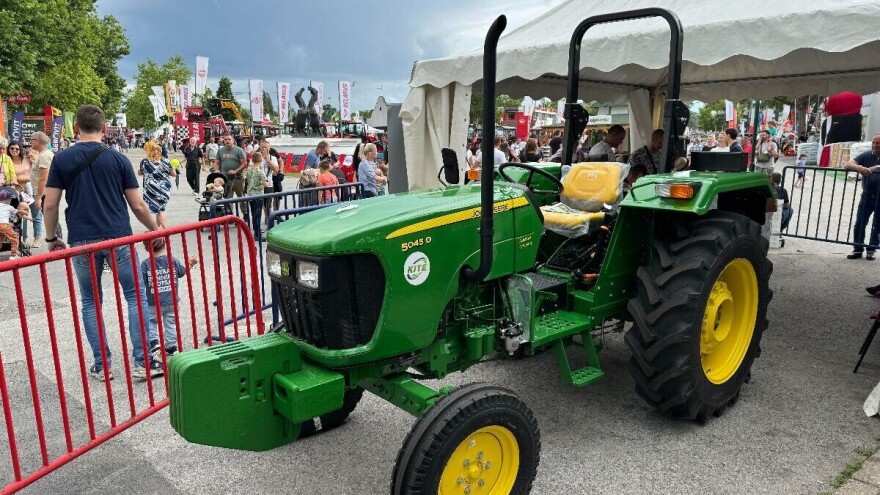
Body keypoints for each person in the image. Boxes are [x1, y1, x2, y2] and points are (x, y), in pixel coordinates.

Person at [43, 104, 162, 381]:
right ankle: (143, 362)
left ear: (76, 128)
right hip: (118, 235)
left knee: (90, 301)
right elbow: (138, 205)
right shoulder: (119, 160)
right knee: (135, 296)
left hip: (82, 239)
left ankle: (103, 365)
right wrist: (155, 229)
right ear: (105, 128)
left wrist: (51, 237)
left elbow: (50, 204)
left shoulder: (61, 159)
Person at [140, 237, 198, 362]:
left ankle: (154, 342)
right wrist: (190, 263)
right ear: (164, 245)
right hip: (172, 300)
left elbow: (142, 282)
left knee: (151, 321)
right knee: (171, 322)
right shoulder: (172, 260)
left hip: (153, 302)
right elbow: (182, 272)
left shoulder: (145, 264)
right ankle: (171, 346)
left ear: (146, 248)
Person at [844, 133, 880, 260]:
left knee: (877, 225)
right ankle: (857, 249)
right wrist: (859, 168)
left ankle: (871, 249)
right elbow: (848, 164)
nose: (875, 145)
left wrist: (874, 168)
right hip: (867, 196)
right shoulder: (867, 155)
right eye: (874, 142)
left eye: (878, 143)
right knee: (860, 222)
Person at [7, 140, 41, 246]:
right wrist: (26, 178)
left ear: (20, 149)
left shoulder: (27, 158)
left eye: (17, 148)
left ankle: (37, 239)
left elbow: (37, 170)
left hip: (32, 189)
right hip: (17, 191)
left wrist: (21, 178)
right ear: (8, 149)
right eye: (12, 148)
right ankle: (23, 239)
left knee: (36, 213)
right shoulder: (7, 160)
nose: (14, 150)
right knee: (21, 216)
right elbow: (8, 176)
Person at [139, 141, 175, 229]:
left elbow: (140, 173)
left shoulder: (145, 162)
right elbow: (173, 174)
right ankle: (157, 229)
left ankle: (165, 229)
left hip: (152, 190)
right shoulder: (165, 161)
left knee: (160, 210)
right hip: (165, 189)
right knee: (159, 208)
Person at [28, 131, 55, 246]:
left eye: (32, 139)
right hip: (45, 192)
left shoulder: (44, 156)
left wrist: (39, 197)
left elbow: (44, 178)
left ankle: (56, 243)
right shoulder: (42, 154)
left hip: (45, 193)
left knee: (49, 218)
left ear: (38, 141)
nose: (30, 142)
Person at [212, 132, 247, 202]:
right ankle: (229, 209)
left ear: (233, 140)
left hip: (237, 179)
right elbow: (216, 162)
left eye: (229, 139)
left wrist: (235, 171)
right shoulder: (220, 151)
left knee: (241, 198)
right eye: (225, 139)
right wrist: (216, 169)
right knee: (227, 199)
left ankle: (244, 209)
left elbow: (244, 164)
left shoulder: (239, 150)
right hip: (225, 179)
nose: (227, 141)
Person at [243, 153, 270, 239]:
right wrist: (267, 182)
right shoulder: (260, 171)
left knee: (254, 214)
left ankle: (256, 229)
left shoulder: (249, 170)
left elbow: (246, 180)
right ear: (261, 160)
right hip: (258, 195)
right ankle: (257, 234)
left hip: (250, 194)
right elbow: (266, 185)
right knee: (258, 214)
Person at [0, 188, 30, 259]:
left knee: (0, 239)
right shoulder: (9, 207)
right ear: (8, 200)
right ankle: (13, 255)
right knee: (15, 237)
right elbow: (19, 212)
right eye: (10, 199)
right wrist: (27, 214)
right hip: (4, 225)